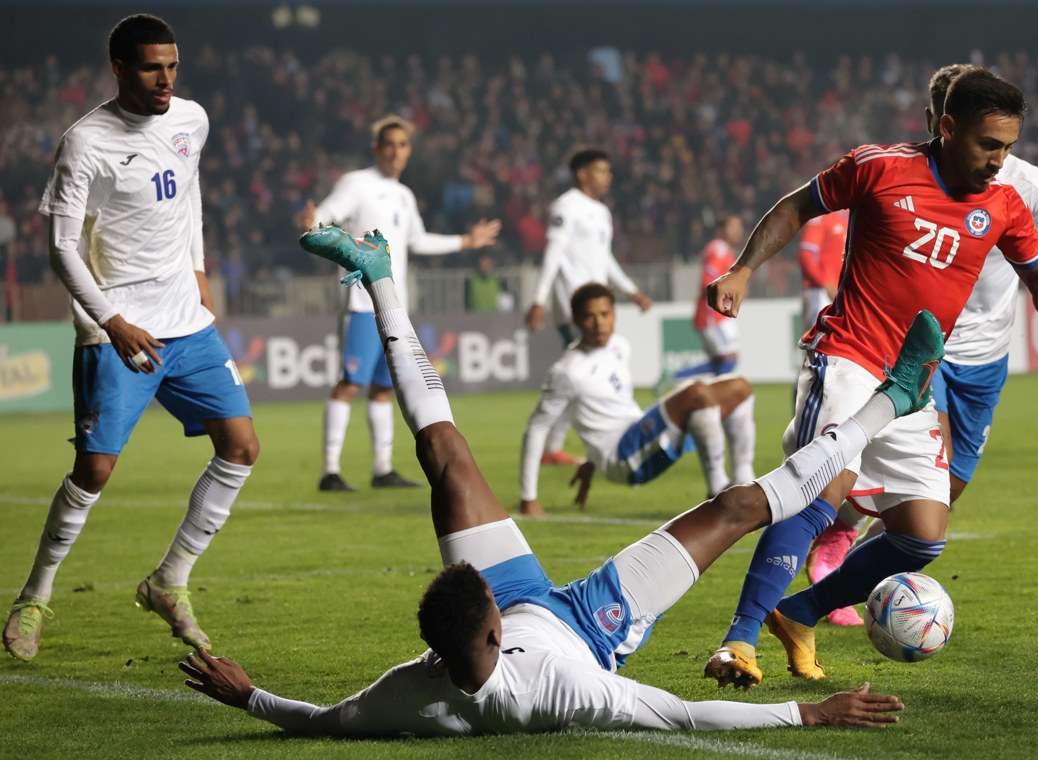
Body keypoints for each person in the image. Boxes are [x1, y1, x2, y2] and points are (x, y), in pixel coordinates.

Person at [179, 223, 943, 733]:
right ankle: (891, 402)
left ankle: (380, 281)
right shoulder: (564, 690)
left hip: (523, 608)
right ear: (488, 630)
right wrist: (811, 716)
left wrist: (248, 696)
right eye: (485, 601)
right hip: (593, 627)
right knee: (739, 505)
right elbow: (682, 714)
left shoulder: (410, 689)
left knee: (444, 455)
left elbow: (324, 721)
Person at [702, 69, 1038, 689]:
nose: (999, 161)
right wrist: (744, 270)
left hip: (911, 386)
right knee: (817, 492)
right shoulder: (879, 168)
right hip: (849, 357)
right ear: (947, 128)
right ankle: (739, 640)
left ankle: (798, 612)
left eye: (1008, 147)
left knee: (921, 534)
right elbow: (797, 206)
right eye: (989, 145)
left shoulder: (1004, 204)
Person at [3, 14, 259, 661]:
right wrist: (110, 322)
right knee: (94, 468)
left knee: (242, 445)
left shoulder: (190, 121)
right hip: (115, 325)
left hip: (185, 320)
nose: (166, 79)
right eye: (152, 67)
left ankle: (170, 581)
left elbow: (189, 197)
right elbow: (61, 246)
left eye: (172, 65)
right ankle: (34, 596)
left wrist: (199, 273)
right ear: (119, 68)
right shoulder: (85, 142)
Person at [805, 63, 1038, 628]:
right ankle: (834, 549)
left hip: (989, 353)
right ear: (943, 124)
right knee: (919, 458)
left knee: (950, 486)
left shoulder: (1025, 185)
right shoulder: (913, 173)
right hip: (921, 346)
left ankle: (855, 542)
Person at [300, 115, 501, 492]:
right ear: (376, 149)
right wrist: (314, 221)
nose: (396, 151)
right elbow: (324, 220)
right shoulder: (357, 183)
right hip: (361, 301)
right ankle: (330, 470)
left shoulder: (404, 196)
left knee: (383, 389)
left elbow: (418, 242)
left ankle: (382, 468)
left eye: (403, 145)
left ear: (409, 151)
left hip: (394, 307)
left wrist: (466, 242)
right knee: (349, 383)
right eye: (389, 144)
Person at [519, 282, 754, 517]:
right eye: (589, 317)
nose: (599, 323)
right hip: (620, 457)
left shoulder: (619, 346)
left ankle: (744, 482)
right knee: (696, 393)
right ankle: (718, 491)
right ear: (576, 321)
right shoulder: (567, 371)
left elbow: (602, 412)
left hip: (638, 434)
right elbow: (537, 427)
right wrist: (528, 498)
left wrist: (589, 462)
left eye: (605, 314)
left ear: (614, 315)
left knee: (739, 387)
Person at [524, 149, 653, 467]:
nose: (607, 177)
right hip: (574, 308)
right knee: (578, 376)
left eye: (608, 171)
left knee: (583, 378)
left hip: (599, 304)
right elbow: (553, 253)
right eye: (600, 171)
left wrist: (630, 290)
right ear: (582, 174)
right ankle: (553, 447)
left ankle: (555, 447)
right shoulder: (566, 207)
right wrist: (539, 299)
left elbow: (604, 258)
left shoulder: (600, 212)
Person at [677, 214, 746, 379]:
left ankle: (677, 377)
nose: (739, 231)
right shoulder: (719, 249)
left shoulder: (723, 250)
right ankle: (677, 378)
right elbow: (708, 281)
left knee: (720, 362)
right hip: (713, 315)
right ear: (721, 230)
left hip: (716, 314)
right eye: (734, 227)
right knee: (729, 359)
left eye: (740, 227)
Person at [798, 210, 848, 329]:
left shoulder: (853, 216)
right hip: (820, 292)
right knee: (820, 341)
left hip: (843, 294)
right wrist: (825, 283)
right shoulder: (821, 218)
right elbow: (806, 255)